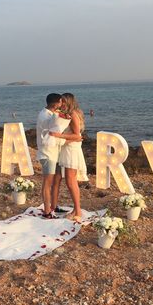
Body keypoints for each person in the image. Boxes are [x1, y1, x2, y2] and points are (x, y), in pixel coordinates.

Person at [36, 93, 82, 219]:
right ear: (58, 102)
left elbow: (59, 134)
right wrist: (65, 140)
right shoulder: (45, 116)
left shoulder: (53, 115)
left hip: (56, 153)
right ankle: (47, 212)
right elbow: (50, 137)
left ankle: (54, 207)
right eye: (61, 102)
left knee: (57, 180)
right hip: (48, 153)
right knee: (48, 182)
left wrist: (62, 138)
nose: (61, 105)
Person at [50, 92, 88, 222]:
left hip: (71, 151)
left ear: (69, 102)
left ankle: (78, 211)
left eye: (63, 102)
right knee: (70, 182)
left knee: (71, 182)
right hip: (67, 149)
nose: (61, 104)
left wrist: (59, 136)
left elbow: (78, 136)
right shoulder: (69, 114)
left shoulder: (73, 115)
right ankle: (76, 209)